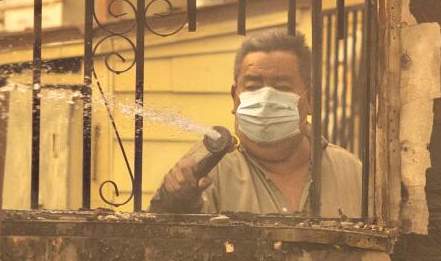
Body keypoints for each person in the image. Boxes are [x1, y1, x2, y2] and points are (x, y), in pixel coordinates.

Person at [150, 29, 364, 217]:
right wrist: (176, 200)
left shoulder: (350, 171)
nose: (266, 100)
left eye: (282, 87)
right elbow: (165, 245)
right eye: (253, 86)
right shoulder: (207, 172)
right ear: (235, 97)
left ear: (311, 99)